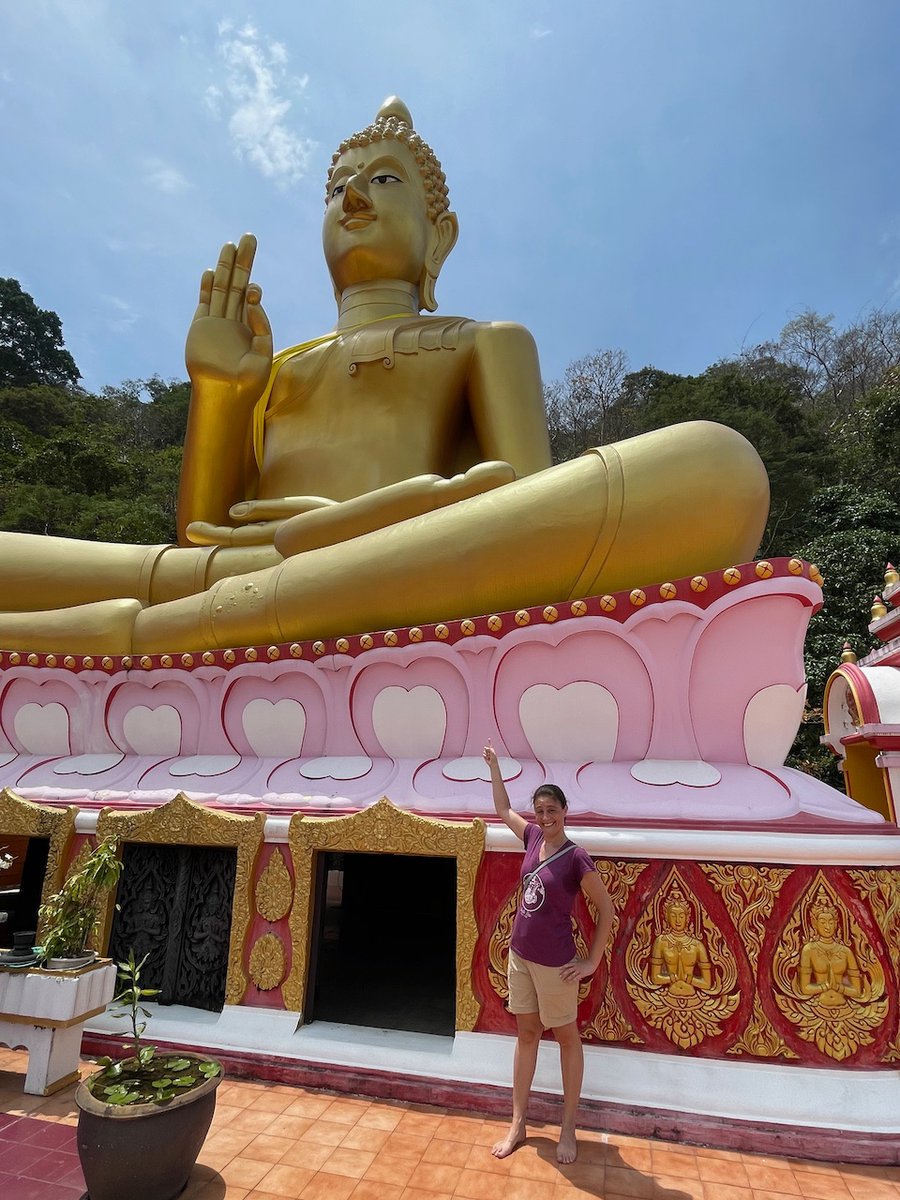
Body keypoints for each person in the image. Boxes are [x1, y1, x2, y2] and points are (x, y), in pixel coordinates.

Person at [0, 98, 769, 654]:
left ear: (441, 235)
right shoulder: (274, 366)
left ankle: (173, 632)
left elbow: (519, 523)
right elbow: (197, 538)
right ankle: (208, 617)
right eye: (338, 187)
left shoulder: (483, 341)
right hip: (231, 575)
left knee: (716, 469)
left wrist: (336, 530)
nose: (354, 197)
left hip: (386, 585)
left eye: (384, 180)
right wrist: (222, 394)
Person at [483, 741, 614, 1164]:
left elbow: (607, 910)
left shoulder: (576, 857)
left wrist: (591, 962)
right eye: (539, 811)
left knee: (566, 1039)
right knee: (526, 1035)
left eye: (551, 811)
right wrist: (495, 769)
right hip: (520, 956)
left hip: (557, 965)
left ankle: (569, 1127)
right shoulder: (533, 835)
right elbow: (503, 810)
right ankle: (518, 1122)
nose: (544, 818)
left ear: (564, 811)